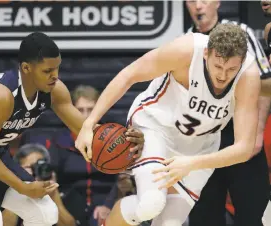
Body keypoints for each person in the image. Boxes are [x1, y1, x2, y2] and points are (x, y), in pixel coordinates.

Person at [0, 32, 145, 226]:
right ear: (26, 68)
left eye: (57, 68)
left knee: (45, 213)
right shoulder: (0, 96)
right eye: (47, 70)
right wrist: (22, 186)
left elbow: (87, 131)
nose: (55, 75)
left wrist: (125, 141)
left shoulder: (54, 90)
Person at [75, 23, 260, 226]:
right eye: (218, 66)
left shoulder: (248, 76)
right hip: (156, 127)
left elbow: (244, 148)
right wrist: (89, 123)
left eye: (231, 69)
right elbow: (130, 74)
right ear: (206, 53)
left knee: (169, 223)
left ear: (241, 62)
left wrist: (192, 163)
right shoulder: (185, 50)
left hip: (199, 149)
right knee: (150, 204)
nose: (223, 76)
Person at [184, 1, 271, 226]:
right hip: (203, 139)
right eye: (192, 1)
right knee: (203, 218)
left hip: (241, 132)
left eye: (203, 0)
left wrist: (257, 132)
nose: (198, 6)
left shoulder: (241, 33)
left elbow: (265, 84)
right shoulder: (185, 41)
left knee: (253, 215)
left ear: (217, 2)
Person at [19, 85, 144, 226]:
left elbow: (122, 178)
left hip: (106, 200)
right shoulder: (58, 142)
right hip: (70, 200)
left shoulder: (113, 139)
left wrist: (109, 205)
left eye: (91, 110)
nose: (85, 115)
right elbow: (51, 177)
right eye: (80, 110)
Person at [2, 143, 76, 226]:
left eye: (39, 166)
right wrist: (19, 189)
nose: (36, 171)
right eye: (30, 167)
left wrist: (53, 194)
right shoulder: (4, 193)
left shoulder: (67, 193)